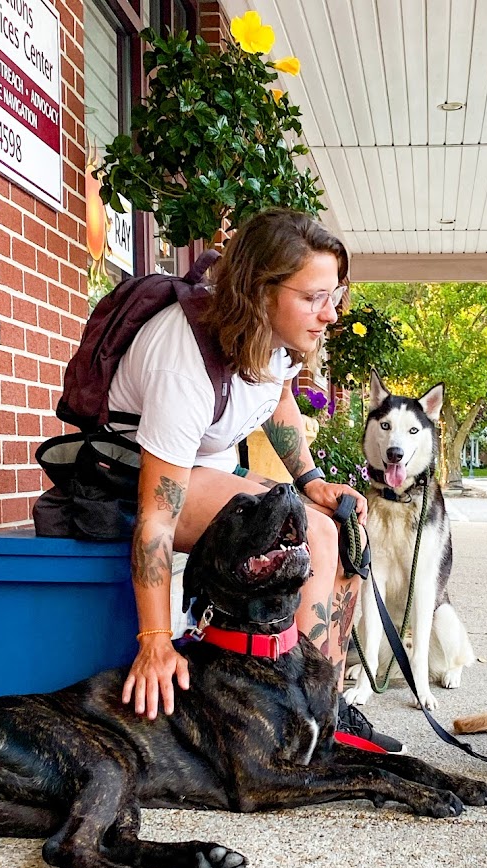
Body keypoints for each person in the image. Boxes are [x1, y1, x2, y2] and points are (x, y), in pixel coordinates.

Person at [107, 208, 402, 752]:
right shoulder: (184, 358)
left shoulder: (275, 338)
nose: (331, 314)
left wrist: (312, 481)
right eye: (315, 298)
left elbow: (279, 397)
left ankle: (324, 707)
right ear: (261, 291)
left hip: (204, 469)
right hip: (124, 480)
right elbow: (155, 519)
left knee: (341, 523)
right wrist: (154, 640)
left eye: (334, 296)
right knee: (308, 535)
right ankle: (291, 713)